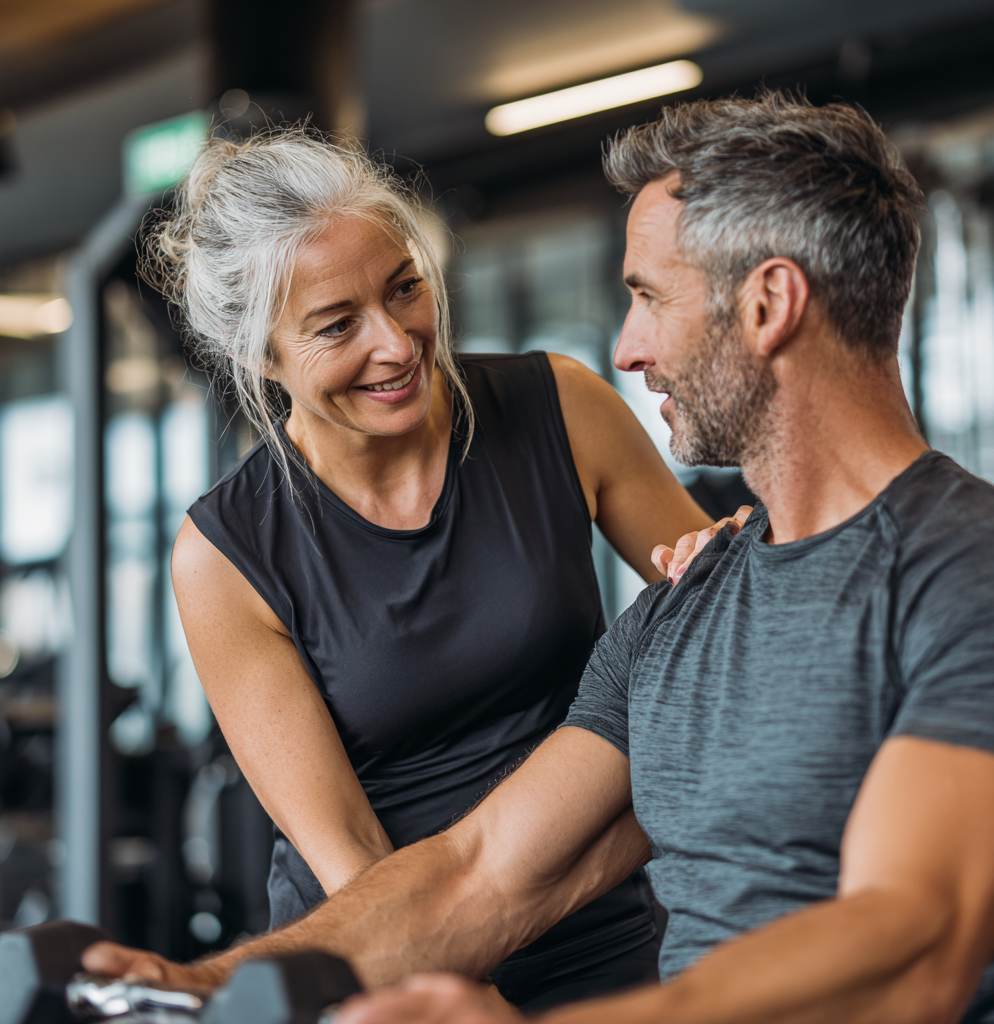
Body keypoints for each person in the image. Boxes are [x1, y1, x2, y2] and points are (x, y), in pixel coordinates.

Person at [87, 93, 994, 1024]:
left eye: (648, 297)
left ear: (769, 304)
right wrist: (198, 985)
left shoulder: (974, 574)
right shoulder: (680, 616)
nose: (623, 348)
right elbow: (480, 874)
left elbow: (916, 947)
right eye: (336, 324)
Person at [141, 128, 724, 1011]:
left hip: (596, 927)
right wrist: (451, 992)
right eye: (338, 326)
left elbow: (725, 615)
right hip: (379, 964)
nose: (398, 341)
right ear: (264, 357)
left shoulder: (557, 406)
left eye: (404, 287)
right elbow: (341, 846)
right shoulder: (225, 556)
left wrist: (723, 564)